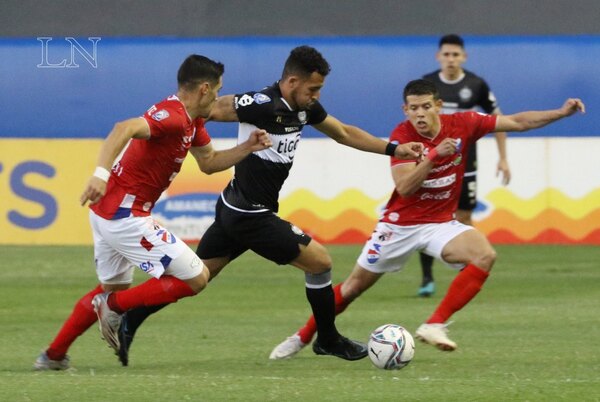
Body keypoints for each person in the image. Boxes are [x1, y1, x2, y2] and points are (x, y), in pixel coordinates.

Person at [115, 45, 424, 366]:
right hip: (249, 213)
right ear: (291, 81)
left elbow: (344, 133)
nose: (316, 95)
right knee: (319, 262)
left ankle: (130, 318)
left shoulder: (304, 109)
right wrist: (180, 124)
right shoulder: (261, 104)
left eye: (319, 89)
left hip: (235, 208)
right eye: (313, 89)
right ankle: (328, 339)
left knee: (197, 278)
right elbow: (209, 108)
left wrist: (395, 149)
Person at [268, 79, 584, 358]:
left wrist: (561, 112)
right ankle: (301, 338)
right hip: (398, 226)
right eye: (413, 108)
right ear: (405, 109)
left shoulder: (464, 123)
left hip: (439, 225)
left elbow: (517, 122)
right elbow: (404, 186)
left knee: (484, 255)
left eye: (425, 107)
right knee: (351, 288)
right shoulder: (401, 136)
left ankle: (434, 325)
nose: (419, 114)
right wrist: (434, 156)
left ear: (438, 106)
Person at [33, 54, 272, 370]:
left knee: (111, 287)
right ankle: (113, 307)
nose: (218, 97)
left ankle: (53, 356)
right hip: (125, 216)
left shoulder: (192, 120)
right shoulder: (171, 116)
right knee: (197, 278)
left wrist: (246, 148)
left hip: (107, 215)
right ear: (203, 88)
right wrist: (100, 174)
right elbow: (124, 127)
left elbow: (209, 162)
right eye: (216, 90)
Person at [417, 34, 511, 297]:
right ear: (439, 56)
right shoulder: (428, 84)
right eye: (446, 54)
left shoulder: (476, 84)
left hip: (465, 164)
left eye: (455, 55)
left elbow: (498, 120)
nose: (450, 59)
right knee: (426, 219)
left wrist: (503, 157)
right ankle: (427, 279)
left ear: (464, 57)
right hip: (432, 163)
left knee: (465, 216)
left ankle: (467, 278)